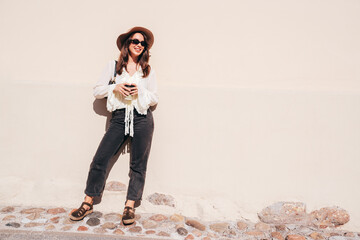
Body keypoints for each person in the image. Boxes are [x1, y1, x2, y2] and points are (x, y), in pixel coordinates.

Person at [69, 26, 158, 225]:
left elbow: (154, 97)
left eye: (142, 43)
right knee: (100, 159)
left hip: (142, 117)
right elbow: (97, 91)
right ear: (127, 44)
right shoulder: (113, 66)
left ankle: (129, 205)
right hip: (119, 117)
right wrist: (115, 87)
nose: (139, 45)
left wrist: (139, 92)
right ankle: (88, 201)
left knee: (138, 165)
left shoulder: (147, 70)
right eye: (135, 41)